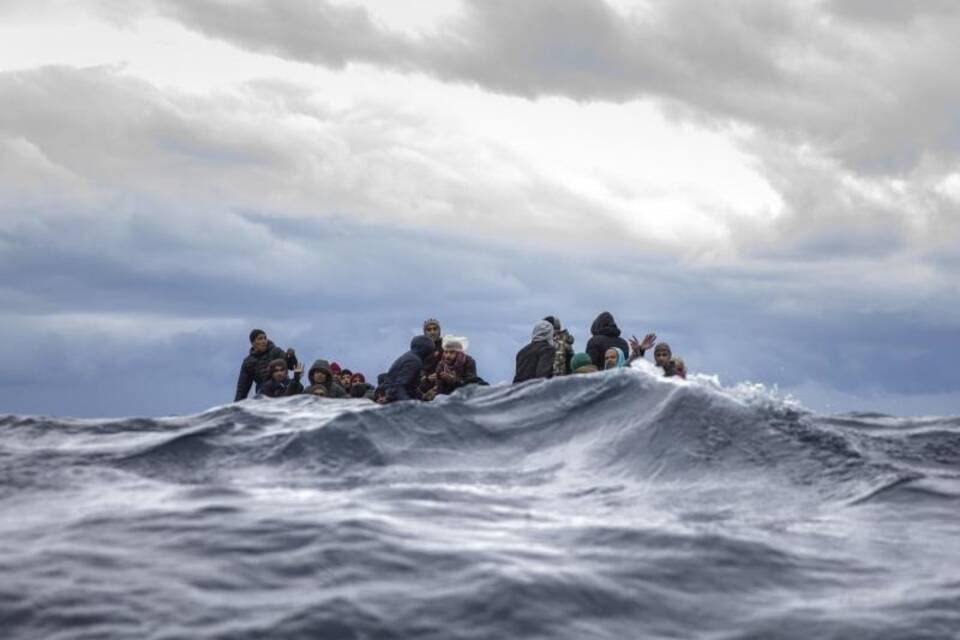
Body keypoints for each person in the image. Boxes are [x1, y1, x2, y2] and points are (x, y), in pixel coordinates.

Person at [234, 329, 298, 401]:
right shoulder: (248, 362)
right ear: (253, 343)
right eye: (260, 339)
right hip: (264, 396)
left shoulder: (276, 351)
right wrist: (235, 409)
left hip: (283, 390)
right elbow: (242, 389)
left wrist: (291, 357)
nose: (264, 341)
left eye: (265, 338)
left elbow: (292, 366)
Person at [585, 312, 655, 371]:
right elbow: (627, 366)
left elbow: (589, 366)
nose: (609, 360)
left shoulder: (593, 341)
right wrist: (640, 351)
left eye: (612, 357)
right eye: (607, 358)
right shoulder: (623, 343)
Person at [383, 335, 437, 403]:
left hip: (394, 395)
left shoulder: (409, 356)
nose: (433, 354)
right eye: (431, 351)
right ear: (426, 350)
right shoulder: (414, 361)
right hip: (396, 400)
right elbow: (399, 386)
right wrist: (408, 405)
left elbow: (410, 386)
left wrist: (422, 397)